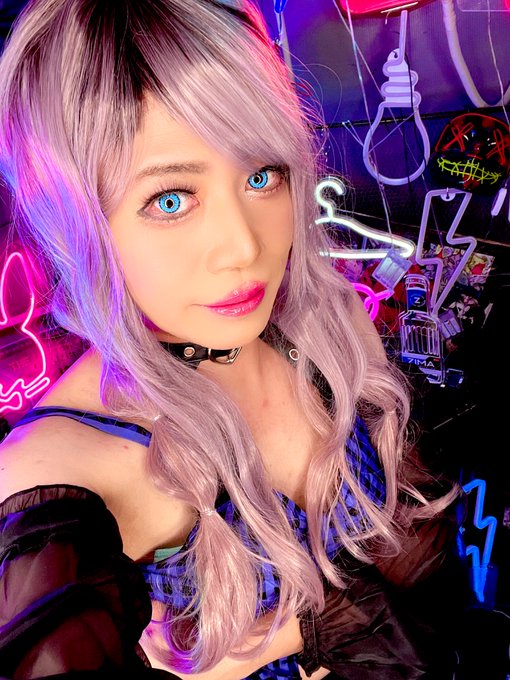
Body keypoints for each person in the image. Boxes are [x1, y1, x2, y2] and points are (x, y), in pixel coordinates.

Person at [0, 0, 460, 678]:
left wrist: (298, 630)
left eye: (260, 176)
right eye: (171, 199)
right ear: (78, 220)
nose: (245, 246)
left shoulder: (327, 330)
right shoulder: (63, 471)